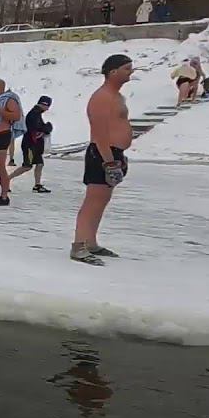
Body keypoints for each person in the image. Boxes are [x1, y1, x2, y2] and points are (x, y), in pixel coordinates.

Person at [72, 55, 134, 266]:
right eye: (126, 69)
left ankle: (90, 242)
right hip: (101, 154)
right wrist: (109, 162)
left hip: (113, 153)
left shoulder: (116, 96)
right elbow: (99, 133)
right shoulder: (102, 97)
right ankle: (79, 245)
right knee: (92, 201)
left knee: (102, 200)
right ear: (113, 71)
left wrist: (119, 156)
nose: (130, 72)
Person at [9, 96, 55, 193]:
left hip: (35, 144)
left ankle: (37, 185)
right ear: (44, 104)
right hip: (30, 145)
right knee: (27, 166)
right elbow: (36, 128)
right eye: (48, 106)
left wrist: (45, 129)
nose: (48, 109)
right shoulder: (34, 114)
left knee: (39, 164)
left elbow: (40, 128)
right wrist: (46, 128)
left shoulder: (37, 114)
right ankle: (6, 179)